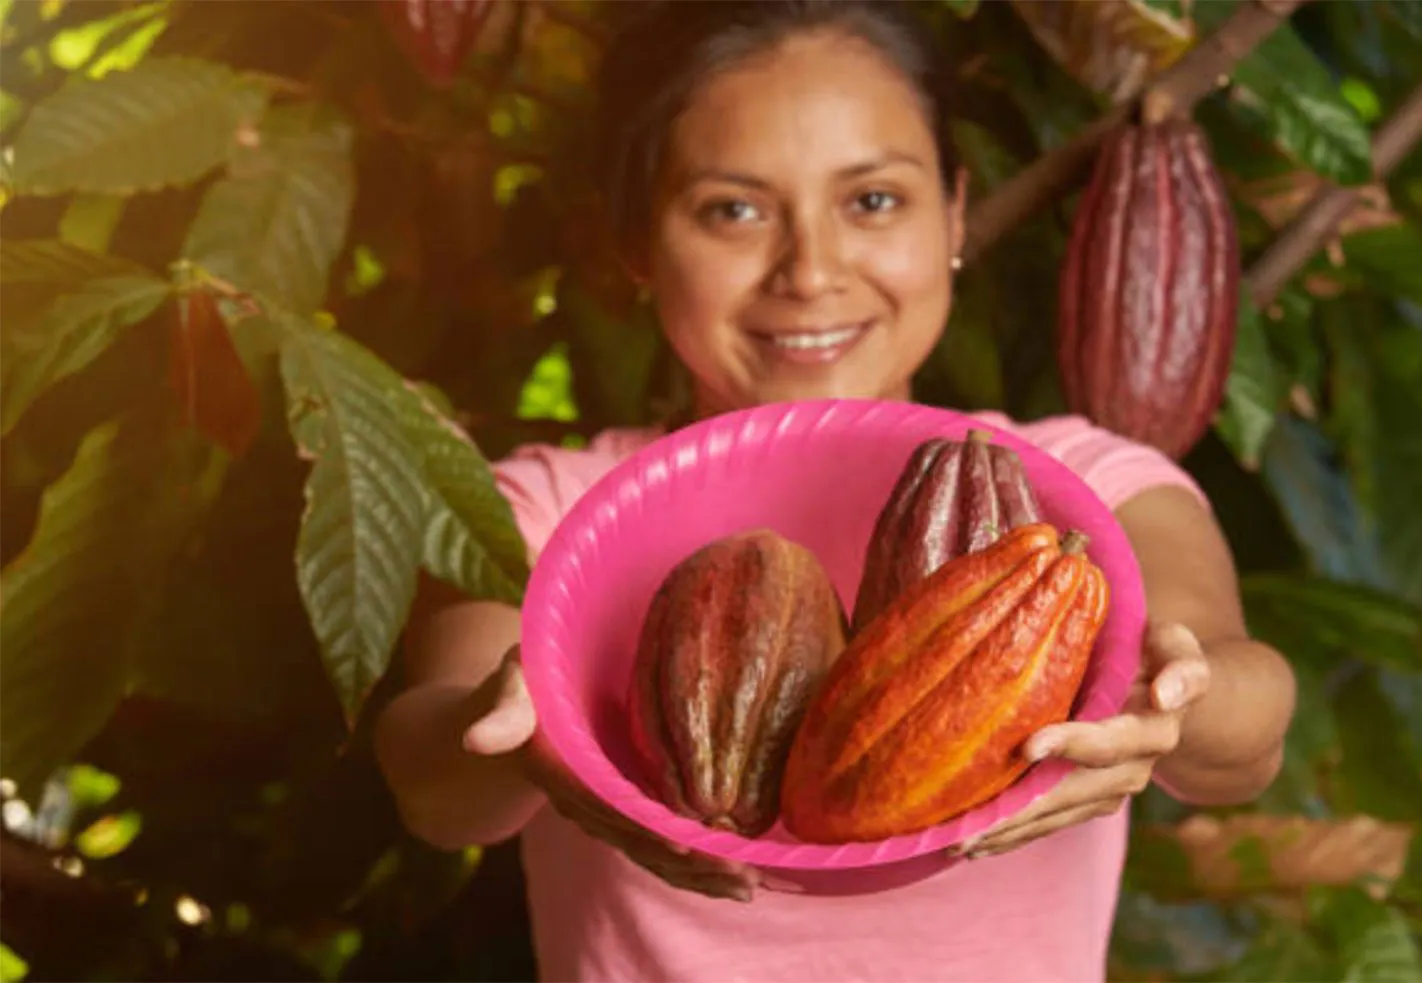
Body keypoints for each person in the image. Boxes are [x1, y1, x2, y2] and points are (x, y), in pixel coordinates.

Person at [374, 2, 1297, 980]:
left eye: (872, 202)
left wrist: (1174, 701)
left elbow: (1248, 726)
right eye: (733, 209)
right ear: (636, 242)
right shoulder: (547, 507)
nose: (810, 272)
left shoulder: (1087, 489)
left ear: (953, 210)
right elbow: (435, 789)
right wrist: (518, 727)